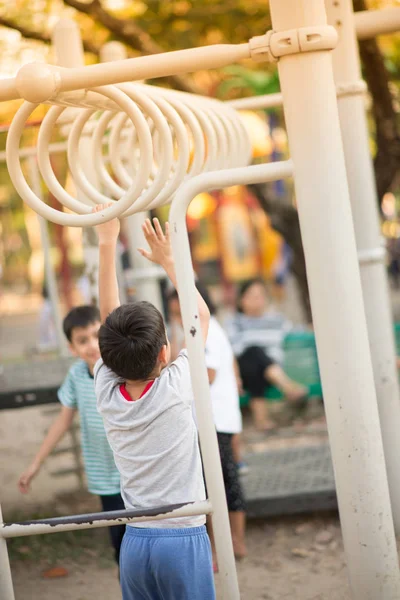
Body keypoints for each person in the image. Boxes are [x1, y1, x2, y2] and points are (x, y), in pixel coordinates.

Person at [93, 207, 215, 600]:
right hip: (181, 534)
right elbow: (200, 315)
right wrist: (169, 261)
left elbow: (107, 320)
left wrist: (107, 242)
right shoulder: (176, 386)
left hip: (135, 539)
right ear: (165, 353)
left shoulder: (108, 392)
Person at [18, 305, 125, 565]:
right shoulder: (76, 375)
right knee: (120, 547)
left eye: (96, 335)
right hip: (105, 475)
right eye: (82, 340)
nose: (91, 345)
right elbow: (62, 422)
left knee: (147, 535)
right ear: (72, 349)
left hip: (133, 470)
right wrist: (36, 464)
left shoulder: (120, 368)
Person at [168, 285, 247, 569]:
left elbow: (208, 374)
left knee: (214, 486)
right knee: (226, 482)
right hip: (219, 418)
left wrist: (173, 377)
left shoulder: (203, 331)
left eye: (179, 311)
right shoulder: (206, 328)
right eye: (174, 312)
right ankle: (233, 543)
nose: (176, 317)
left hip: (212, 421)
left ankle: (222, 547)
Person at [225, 278, 307, 432]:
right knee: (253, 352)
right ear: (241, 300)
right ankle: (288, 387)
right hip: (243, 372)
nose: (257, 300)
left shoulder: (277, 320)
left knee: (257, 362)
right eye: (252, 296)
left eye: (260, 296)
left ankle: (262, 421)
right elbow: (232, 350)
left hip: (267, 374)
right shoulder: (234, 322)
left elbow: (296, 332)